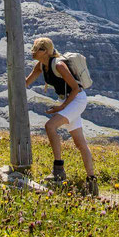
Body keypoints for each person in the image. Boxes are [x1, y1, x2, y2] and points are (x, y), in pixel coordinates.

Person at [26, 37, 98, 196]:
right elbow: (26, 82)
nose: (32, 52)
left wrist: (62, 107)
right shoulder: (41, 66)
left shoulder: (59, 65)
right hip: (66, 100)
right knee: (80, 143)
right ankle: (92, 181)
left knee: (50, 126)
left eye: (35, 49)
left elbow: (75, 89)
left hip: (76, 99)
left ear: (44, 51)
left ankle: (58, 169)